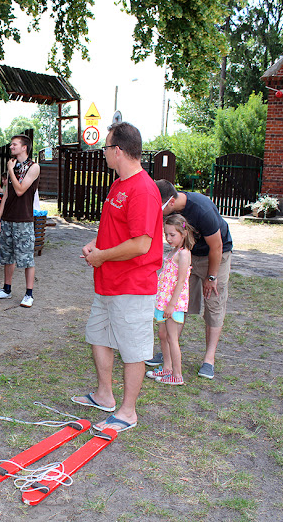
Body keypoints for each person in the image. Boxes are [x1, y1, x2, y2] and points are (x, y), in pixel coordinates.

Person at [71, 122, 163, 433]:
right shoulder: (118, 184)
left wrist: (102, 256)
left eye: (106, 147)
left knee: (133, 349)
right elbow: (115, 230)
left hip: (132, 285)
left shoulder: (143, 189)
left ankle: (128, 412)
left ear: (118, 150)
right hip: (108, 281)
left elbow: (141, 245)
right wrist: (95, 245)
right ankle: (104, 396)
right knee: (98, 337)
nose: (105, 153)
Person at [155, 179, 233, 380]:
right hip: (187, 256)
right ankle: (169, 354)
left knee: (213, 303)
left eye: (159, 206)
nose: (157, 211)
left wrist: (211, 276)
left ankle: (209, 359)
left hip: (214, 255)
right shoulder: (171, 212)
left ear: (171, 202)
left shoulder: (202, 209)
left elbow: (216, 246)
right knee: (179, 304)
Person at [0, 134, 40, 308]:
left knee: (27, 258)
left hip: (23, 219)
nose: (11, 147)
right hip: (7, 219)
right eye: (11, 144)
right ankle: (6, 289)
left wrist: (10, 170)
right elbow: (7, 194)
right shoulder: (14, 165)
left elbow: (20, 190)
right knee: (7, 257)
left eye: (14, 144)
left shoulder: (33, 167)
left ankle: (29, 294)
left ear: (24, 147)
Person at [146, 214, 194, 386]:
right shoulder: (172, 252)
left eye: (172, 235)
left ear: (184, 233)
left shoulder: (184, 254)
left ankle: (177, 374)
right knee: (163, 334)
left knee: (172, 338)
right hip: (163, 301)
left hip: (173, 304)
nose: (168, 238)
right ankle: (167, 368)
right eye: (166, 234)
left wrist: (172, 305)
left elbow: (181, 281)